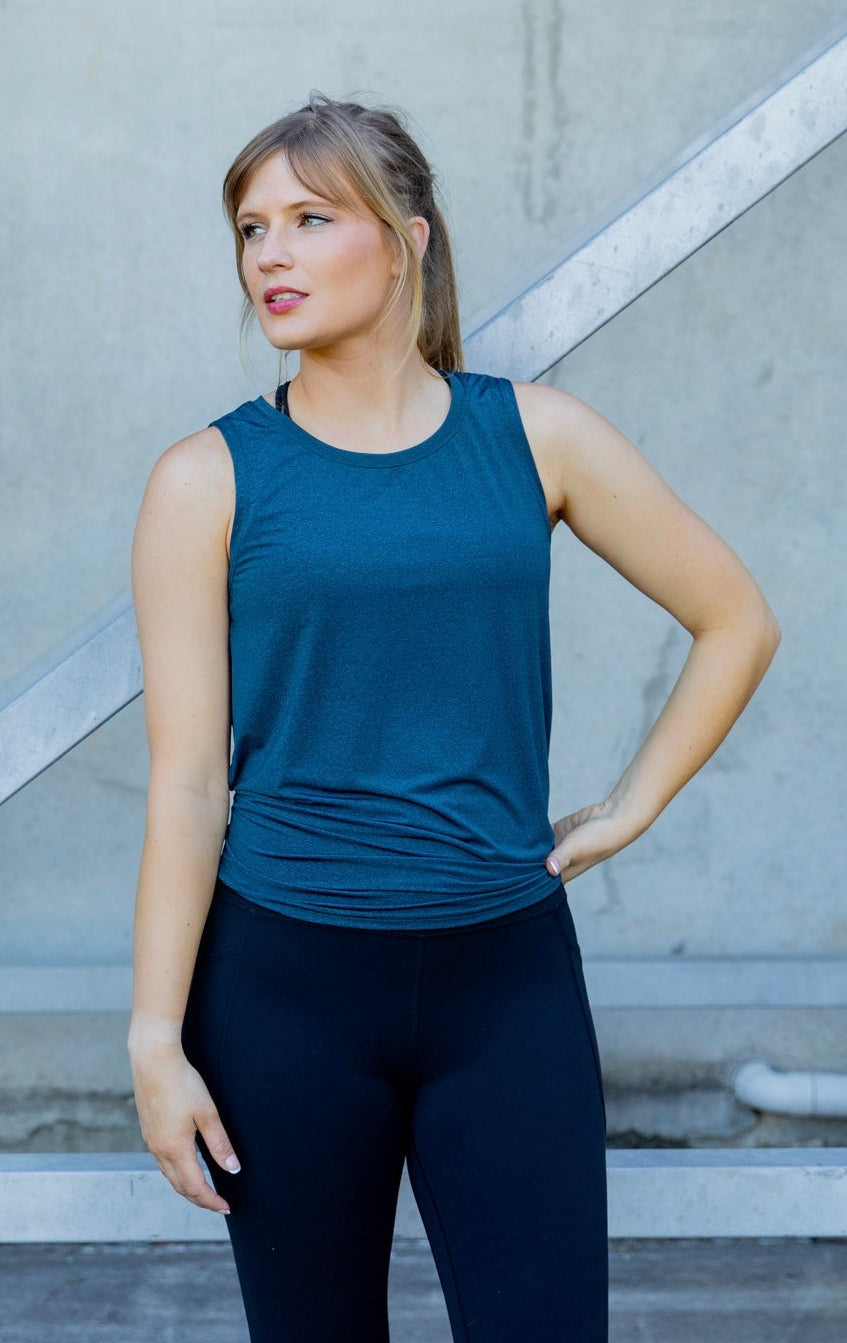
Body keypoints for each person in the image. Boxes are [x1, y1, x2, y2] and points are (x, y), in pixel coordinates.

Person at [127, 92, 780, 1342]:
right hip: (283, 992)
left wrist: (632, 805)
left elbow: (736, 615)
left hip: (507, 985)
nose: (269, 252)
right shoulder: (205, 479)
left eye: (311, 218)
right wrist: (157, 1037)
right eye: (251, 226)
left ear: (409, 238)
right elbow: (186, 784)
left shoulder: (536, 436)